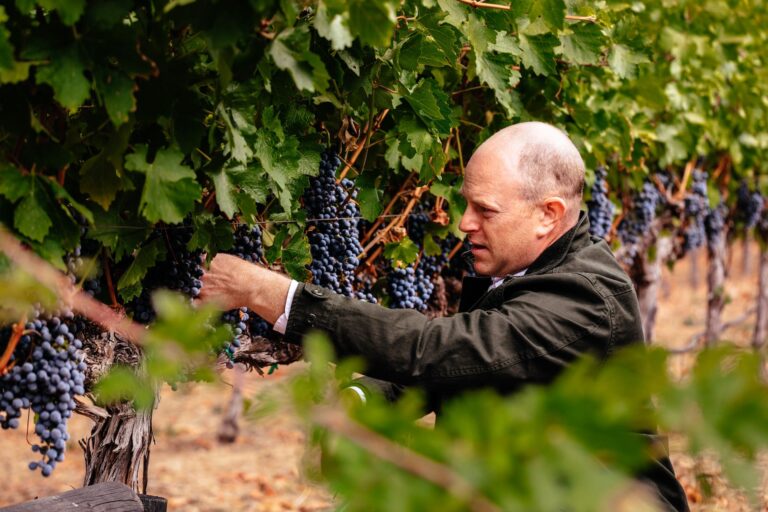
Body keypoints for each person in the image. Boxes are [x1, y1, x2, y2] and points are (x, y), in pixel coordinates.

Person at [199, 122, 689, 511]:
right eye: (466, 204)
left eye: (485, 209)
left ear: (547, 214)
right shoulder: (527, 272)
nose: (464, 223)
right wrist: (361, 396)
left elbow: (442, 351)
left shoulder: (582, 299)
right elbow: (459, 375)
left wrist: (270, 293)